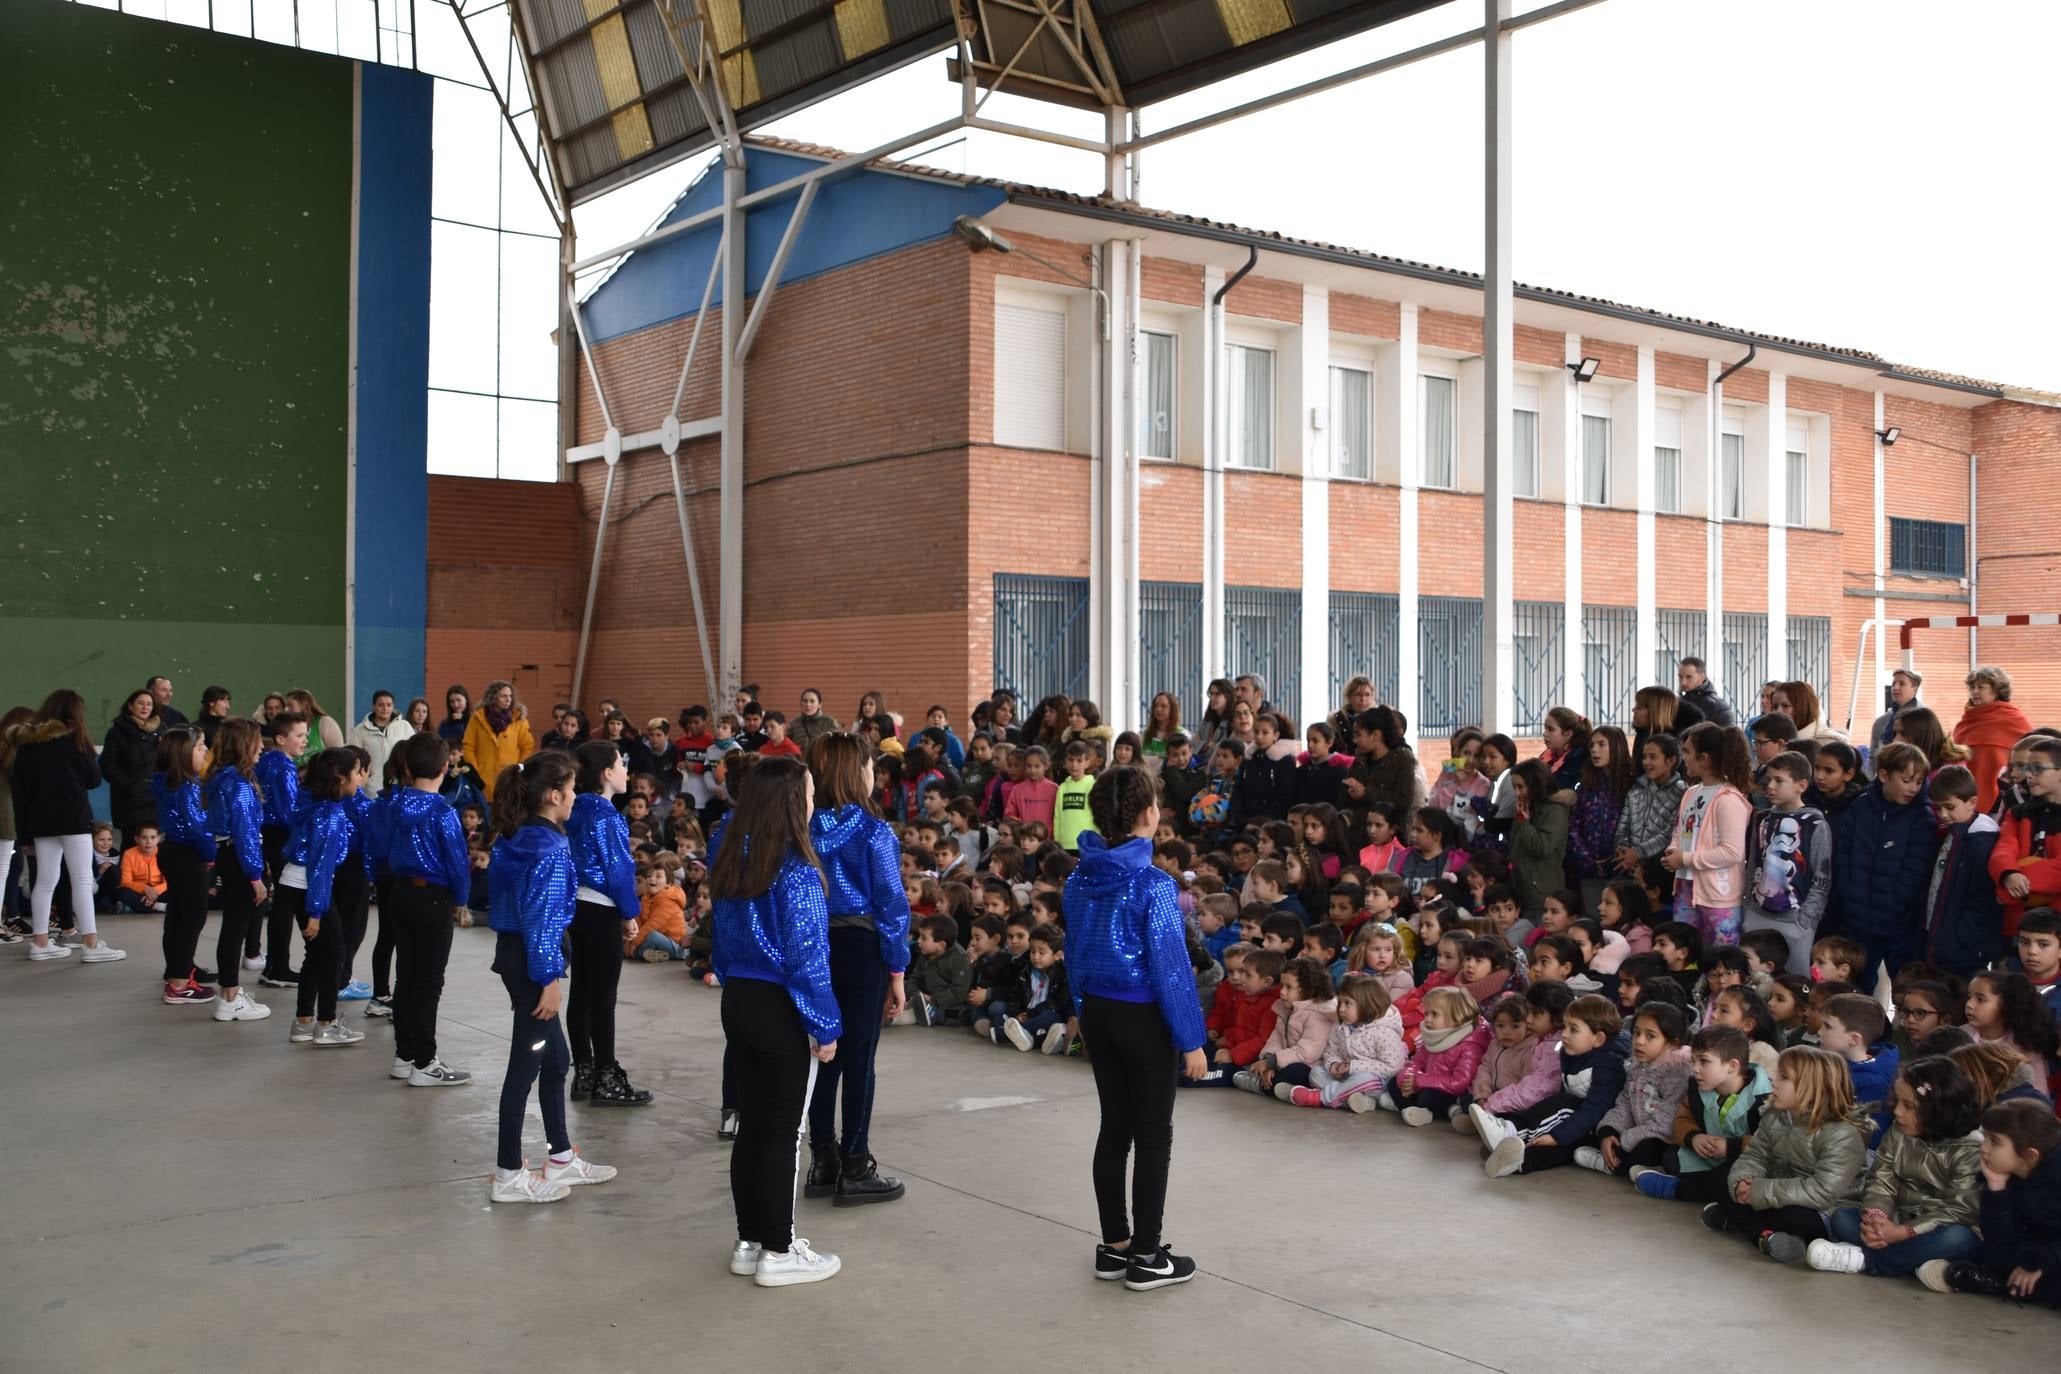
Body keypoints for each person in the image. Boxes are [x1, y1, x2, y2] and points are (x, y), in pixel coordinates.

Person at [1063, 764, 1207, 1290]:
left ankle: (1114, 1244)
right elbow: (1171, 968)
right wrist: (1190, 1040)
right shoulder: (1154, 885)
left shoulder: (1080, 877)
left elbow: (1072, 953)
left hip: (1098, 1011)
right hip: (1143, 1018)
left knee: (1114, 1128)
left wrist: (1082, 1008)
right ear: (1150, 815)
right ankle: (1147, 1255)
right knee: (1153, 1135)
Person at [710, 753, 843, 1285]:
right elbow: (808, 957)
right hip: (780, 1007)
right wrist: (826, 1024)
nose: (814, 802)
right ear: (791, 802)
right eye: (809, 793)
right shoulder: (796, 870)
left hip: (738, 1001)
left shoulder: (732, 860)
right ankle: (780, 1250)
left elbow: (720, 942)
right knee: (783, 1133)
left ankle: (750, 1240)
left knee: (753, 1128)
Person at [483, 750, 617, 1203]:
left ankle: (560, 1157)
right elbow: (540, 919)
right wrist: (549, 979)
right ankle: (507, 1173)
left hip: (516, 956)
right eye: (573, 789)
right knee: (526, 1065)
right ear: (555, 795)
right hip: (532, 965)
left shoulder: (515, 837)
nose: (576, 796)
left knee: (556, 1060)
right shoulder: (551, 848)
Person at [801, 733, 912, 1206]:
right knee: (860, 1060)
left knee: (825, 1053)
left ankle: (822, 1160)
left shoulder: (801, 826)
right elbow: (891, 902)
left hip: (815, 944)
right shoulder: (873, 830)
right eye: (869, 766)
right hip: (861, 945)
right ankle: (856, 1163)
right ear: (856, 773)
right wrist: (898, 968)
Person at [1808, 1057, 1985, 1276]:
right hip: (1895, 1220)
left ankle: (1867, 1261)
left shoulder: (1970, 1149)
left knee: (1958, 1239)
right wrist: (1877, 1217)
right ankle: (1917, 1264)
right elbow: (1881, 1179)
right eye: (1898, 1102)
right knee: (1842, 1218)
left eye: (1908, 1106)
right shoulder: (1898, 1130)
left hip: (1934, 1229)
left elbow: (1960, 1210)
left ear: (1939, 1110)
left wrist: (1904, 1233)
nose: (1897, 1112)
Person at [1715, 1044, 1870, 1261]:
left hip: (1826, 1209)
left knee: (1792, 1217)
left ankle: (1741, 1222)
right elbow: (1755, 1155)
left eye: (1784, 1078)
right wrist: (1744, 1181)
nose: (1774, 1082)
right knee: (1723, 1177)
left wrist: (1760, 1190)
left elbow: (1822, 1191)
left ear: (1813, 1087)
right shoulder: (1774, 1116)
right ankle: (1766, 1237)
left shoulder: (1841, 1133)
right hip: (1780, 1192)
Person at [8, 690, 124, 963]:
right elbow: (93, 779)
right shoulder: (75, 739)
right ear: (75, 713)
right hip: (73, 820)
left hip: (39, 824)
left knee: (45, 881)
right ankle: (91, 944)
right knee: (82, 879)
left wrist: (25, 835)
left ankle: (40, 942)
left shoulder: (27, 744)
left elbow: (20, 793)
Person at [565, 741, 651, 1107]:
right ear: (606, 773)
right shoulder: (607, 816)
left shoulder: (575, 808)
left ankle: (583, 1068)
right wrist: (629, 913)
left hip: (577, 907)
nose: (625, 770)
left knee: (581, 991)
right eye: (620, 763)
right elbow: (618, 871)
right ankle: (607, 1076)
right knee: (603, 996)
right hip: (601, 908)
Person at [386, 732, 472, 1086]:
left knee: (406, 976)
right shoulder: (442, 812)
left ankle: (404, 1055)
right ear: (445, 767)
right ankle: (425, 1061)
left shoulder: (394, 804)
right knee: (429, 982)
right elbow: (457, 861)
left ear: (407, 765)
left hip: (399, 893)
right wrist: (461, 898)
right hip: (433, 899)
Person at [1920, 1098, 2061, 1301]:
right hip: (2033, 1250)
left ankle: (1997, 1284)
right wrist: (1996, 1188)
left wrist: (2040, 1262)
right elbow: (2000, 1240)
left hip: (2051, 1255)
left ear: (2029, 1155)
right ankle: (2005, 1281)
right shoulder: (2006, 1173)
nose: (1984, 1148)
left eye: (1994, 1141)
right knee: (1992, 1253)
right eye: (1985, 1137)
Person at [281, 748, 368, 1048]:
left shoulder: (318, 804)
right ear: (341, 778)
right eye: (357, 772)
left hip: (294, 882)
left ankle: (303, 1021)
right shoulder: (330, 815)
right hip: (307, 887)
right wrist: (316, 912)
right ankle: (326, 1024)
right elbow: (321, 866)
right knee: (334, 952)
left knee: (318, 954)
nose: (361, 778)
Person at [1831, 741, 1936, 988]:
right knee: (1859, 984)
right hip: (1858, 919)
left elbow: (1916, 871)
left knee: (1906, 986)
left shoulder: (1922, 816)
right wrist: (1848, 892)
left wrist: (1894, 902)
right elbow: (1844, 854)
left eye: (1919, 781)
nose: (1913, 788)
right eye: (1907, 779)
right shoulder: (1861, 806)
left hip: (1899, 923)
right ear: (1883, 775)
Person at [204, 718, 272, 1023]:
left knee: (232, 928)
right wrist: (256, 876)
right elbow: (245, 832)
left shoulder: (220, 777)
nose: (261, 747)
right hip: (239, 858)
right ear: (244, 745)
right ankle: (230, 998)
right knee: (236, 929)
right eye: (256, 741)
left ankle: (228, 993)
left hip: (227, 855)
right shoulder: (240, 784)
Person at [1740, 751, 1833, 976]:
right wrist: (1747, 906)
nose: (1770, 786)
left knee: (1795, 981)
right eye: (1768, 780)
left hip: (1794, 919)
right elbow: (1753, 864)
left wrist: (1806, 919)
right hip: (1757, 913)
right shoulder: (1762, 818)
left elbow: (1822, 876)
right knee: (1754, 977)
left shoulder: (1814, 823)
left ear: (1801, 785)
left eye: (1779, 780)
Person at [1663, 722, 1753, 951]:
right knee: (1686, 954)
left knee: (1720, 960)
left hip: (1718, 897)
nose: (1684, 758)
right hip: (1686, 888)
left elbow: (1732, 852)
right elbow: (1680, 830)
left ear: (1704, 758)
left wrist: (1685, 859)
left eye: (1687, 753)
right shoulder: (1690, 793)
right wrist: (1674, 849)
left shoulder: (1728, 799)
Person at [150, 726, 217, 1005]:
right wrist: (210, 853)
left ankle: (177, 969)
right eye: (201, 747)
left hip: (171, 852)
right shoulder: (187, 787)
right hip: (187, 854)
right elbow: (198, 827)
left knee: (177, 915)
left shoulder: (166, 781)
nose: (205, 753)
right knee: (193, 916)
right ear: (184, 753)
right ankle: (179, 984)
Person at [254, 712, 308, 984]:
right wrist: (304, 837)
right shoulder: (284, 766)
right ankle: (278, 966)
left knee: (282, 903)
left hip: (269, 834)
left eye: (305, 735)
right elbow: (289, 811)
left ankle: (275, 964)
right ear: (280, 739)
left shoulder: (265, 761)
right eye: (299, 736)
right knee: (286, 903)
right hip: (281, 837)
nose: (305, 741)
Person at [1954, 667, 2034, 815]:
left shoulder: (2014, 719)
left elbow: (2031, 755)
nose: (1975, 691)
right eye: (1972, 687)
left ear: (1997, 690)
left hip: (2002, 797)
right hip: (1964, 793)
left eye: (1981, 687)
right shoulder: (1968, 720)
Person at [101, 687, 164, 850]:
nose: (145, 707)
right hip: (130, 800)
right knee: (132, 846)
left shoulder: (161, 730)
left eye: (149, 704)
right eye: (140, 703)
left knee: (154, 849)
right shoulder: (117, 731)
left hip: (155, 798)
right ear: (130, 706)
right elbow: (107, 764)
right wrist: (129, 785)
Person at [463, 680, 535, 801]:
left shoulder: (520, 719)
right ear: (493, 697)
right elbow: (468, 746)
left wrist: (518, 769)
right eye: (504, 696)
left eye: (510, 696)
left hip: (509, 779)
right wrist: (475, 772)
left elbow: (527, 747)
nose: (508, 699)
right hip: (483, 780)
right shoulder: (478, 718)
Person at [350, 690, 415, 795]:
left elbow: (414, 754)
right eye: (381, 705)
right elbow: (354, 760)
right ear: (373, 706)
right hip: (371, 790)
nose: (385, 708)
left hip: (400, 787)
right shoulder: (359, 731)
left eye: (389, 705)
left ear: (393, 706)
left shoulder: (405, 726)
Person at [1869, 668, 1923, 759]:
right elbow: (1873, 757)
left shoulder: (1924, 717)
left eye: (1902, 683)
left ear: (1914, 689)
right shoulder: (1881, 722)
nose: (1895, 687)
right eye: (1893, 684)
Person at [1677, 657, 1736, 728]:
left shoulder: (1718, 706)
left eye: (1689, 677)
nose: (1683, 682)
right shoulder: (1676, 702)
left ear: (1702, 677)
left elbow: (1729, 736)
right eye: (1680, 677)